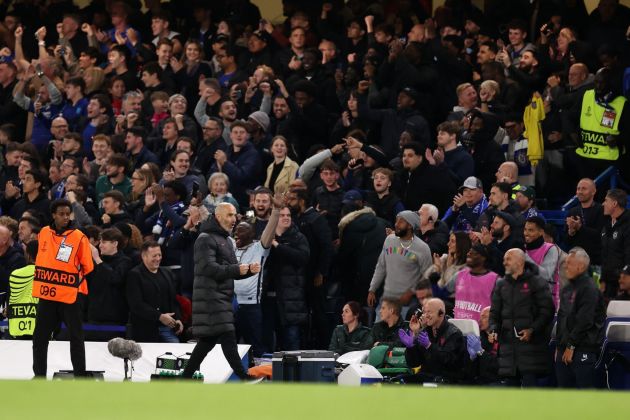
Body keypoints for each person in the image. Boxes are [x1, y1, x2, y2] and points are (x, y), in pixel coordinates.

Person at [182, 203, 261, 380]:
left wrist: (248, 270)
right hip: (211, 298)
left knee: (206, 342)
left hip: (221, 298)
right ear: (218, 217)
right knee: (228, 335)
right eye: (229, 215)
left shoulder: (226, 240)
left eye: (234, 215)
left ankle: (184, 379)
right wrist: (237, 270)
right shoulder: (205, 238)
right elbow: (208, 268)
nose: (234, 219)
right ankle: (243, 376)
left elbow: (228, 271)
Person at [32, 199, 94, 377]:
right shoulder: (43, 233)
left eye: (68, 214)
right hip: (47, 296)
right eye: (61, 214)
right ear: (53, 215)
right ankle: (39, 376)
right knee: (40, 338)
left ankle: (80, 377)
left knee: (76, 338)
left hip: (70, 296)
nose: (66, 217)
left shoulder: (79, 237)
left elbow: (88, 266)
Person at [488, 249, 554, 387]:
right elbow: (494, 313)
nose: (504, 262)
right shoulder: (501, 284)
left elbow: (547, 311)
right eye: (504, 259)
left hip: (532, 348)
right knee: (511, 395)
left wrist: (532, 330)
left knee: (531, 393)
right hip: (508, 349)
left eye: (508, 259)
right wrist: (493, 330)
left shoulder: (537, 282)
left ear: (520, 262)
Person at [234, 194, 282, 357]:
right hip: (229, 304)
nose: (237, 235)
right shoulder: (230, 246)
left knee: (255, 348)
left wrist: (276, 210)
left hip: (251, 306)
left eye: (241, 233)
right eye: (236, 232)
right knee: (228, 347)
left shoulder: (259, 248)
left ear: (250, 235)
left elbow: (269, 231)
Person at [556, 247, 606, 389]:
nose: (565, 266)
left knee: (584, 396)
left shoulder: (589, 288)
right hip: (564, 350)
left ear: (581, 266)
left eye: (569, 263)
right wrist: (559, 346)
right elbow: (562, 317)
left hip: (582, 349)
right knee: (564, 396)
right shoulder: (567, 289)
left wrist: (571, 345)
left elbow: (585, 320)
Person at [368, 210, 432, 320]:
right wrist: (372, 289)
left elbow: (427, 276)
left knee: (402, 336)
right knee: (378, 335)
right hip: (386, 300)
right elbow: (381, 266)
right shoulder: (389, 240)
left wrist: (411, 291)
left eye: (401, 222)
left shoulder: (423, 248)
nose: (396, 224)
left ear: (410, 226)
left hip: (407, 305)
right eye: (396, 221)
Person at [263, 205, 310, 351]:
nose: (286, 218)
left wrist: (278, 246)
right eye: (282, 215)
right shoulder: (265, 237)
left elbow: (302, 258)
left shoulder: (298, 237)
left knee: (291, 341)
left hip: (291, 298)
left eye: (288, 215)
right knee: (268, 341)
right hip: (268, 298)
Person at [126, 241, 183, 343]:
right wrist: (159, 316)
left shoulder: (167, 272)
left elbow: (173, 300)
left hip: (168, 329)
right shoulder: (134, 275)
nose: (158, 258)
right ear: (144, 256)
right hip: (145, 331)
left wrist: (178, 318)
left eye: (159, 255)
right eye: (154, 256)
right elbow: (136, 304)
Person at [401, 298, 469, 383]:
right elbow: (414, 363)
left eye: (429, 312)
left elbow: (448, 361)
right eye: (424, 312)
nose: (425, 315)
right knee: (398, 381)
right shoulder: (425, 331)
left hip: (448, 378)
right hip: (427, 376)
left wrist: (429, 346)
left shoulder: (454, 334)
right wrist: (411, 346)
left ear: (441, 314)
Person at [86, 228, 132, 325]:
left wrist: (97, 259)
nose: (100, 245)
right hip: (93, 316)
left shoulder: (125, 262)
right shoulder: (96, 262)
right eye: (100, 242)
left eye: (104, 242)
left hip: (114, 318)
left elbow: (115, 278)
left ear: (115, 244)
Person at [524, 216, 562, 308]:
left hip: (545, 305)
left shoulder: (551, 249)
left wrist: (525, 257)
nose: (526, 233)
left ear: (541, 232)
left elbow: (545, 275)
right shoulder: (522, 248)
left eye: (531, 230)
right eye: (525, 229)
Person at [566, 178, 605, 268]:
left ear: (593, 191)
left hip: (595, 262)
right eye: (578, 188)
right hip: (575, 262)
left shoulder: (601, 210)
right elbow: (567, 241)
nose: (580, 191)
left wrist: (580, 228)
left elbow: (600, 236)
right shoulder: (572, 211)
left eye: (584, 188)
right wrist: (571, 232)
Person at [600, 189, 630, 298]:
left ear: (614, 203)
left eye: (606, 200)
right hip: (608, 284)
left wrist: (625, 283)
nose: (603, 204)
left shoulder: (628, 225)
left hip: (622, 285)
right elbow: (604, 255)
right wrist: (603, 279)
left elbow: (628, 255)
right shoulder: (606, 226)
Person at [7, 240, 38, 338]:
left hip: (16, 330)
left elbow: (9, 302)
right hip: (40, 330)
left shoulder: (15, 274)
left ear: (28, 255)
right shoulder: (47, 276)